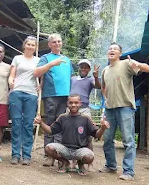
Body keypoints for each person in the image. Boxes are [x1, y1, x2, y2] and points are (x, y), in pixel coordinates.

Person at [99, 42, 149, 181]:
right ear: (107, 53)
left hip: (125, 107)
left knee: (128, 140)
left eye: (115, 49)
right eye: (110, 48)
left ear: (120, 54)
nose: (112, 50)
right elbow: (103, 87)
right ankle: (111, 166)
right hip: (109, 109)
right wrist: (106, 100)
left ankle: (128, 171)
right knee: (107, 139)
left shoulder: (126, 64)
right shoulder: (105, 70)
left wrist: (138, 65)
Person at [34, 94, 110, 175]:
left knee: (89, 157)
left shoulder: (85, 119)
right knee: (49, 148)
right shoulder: (62, 118)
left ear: (80, 104)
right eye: (71, 103)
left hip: (80, 150)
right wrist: (41, 123)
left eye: (76, 102)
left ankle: (80, 164)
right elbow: (50, 131)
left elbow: (96, 135)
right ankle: (65, 162)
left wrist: (102, 128)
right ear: (67, 104)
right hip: (65, 149)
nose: (73, 105)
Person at [33, 33, 74, 167]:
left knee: (61, 125)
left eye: (59, 41)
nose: (57, 43)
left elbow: (70, 78)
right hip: (50, 95)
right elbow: (37, 72)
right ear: (49, 44)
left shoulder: (67, 59)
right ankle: (49, 155)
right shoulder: (46, 58)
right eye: (54, 42)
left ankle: (59, 155)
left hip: (65, 96)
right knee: (50, 124)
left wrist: (71, 96)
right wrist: (52, 64)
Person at [8, 36, 40, 165]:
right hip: (16, 92)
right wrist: (10, 81)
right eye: (29, 44)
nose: (31, 47)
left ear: (35, 47)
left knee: (27, 125)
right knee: (16, 123)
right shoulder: (17, 59)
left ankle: (26, 155)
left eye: (33, 45)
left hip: (31, 94)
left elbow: (42, 75)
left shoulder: (39, 60)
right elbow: (12, 74)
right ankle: (15, 154)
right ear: (24, 45)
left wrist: (41, 86)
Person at [70, 59, 101, 171]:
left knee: (88, 135)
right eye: (81, 67)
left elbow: (98, 86)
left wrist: (96, 77)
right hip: (71, 109)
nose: (83, 69)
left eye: (86, 67)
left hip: (84, 109)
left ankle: (89, 162)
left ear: (89, 69)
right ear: (79, 68)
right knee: (72, 135)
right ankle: (73, 161)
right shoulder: (72, 79)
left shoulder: (90, 79)